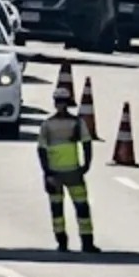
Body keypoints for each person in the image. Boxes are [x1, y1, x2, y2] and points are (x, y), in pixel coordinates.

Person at [37, 87, 99, 253]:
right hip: (56, 173)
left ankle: (87, 242)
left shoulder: (77, 123)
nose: (60, 105)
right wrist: (47, 173)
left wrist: (86, 165)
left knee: (82, 208)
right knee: (57, 210)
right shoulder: (48, 124)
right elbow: (41, 149)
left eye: (62, 102)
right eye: (58, 102)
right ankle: (62, 242)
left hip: (73, 172)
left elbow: (87, 143)